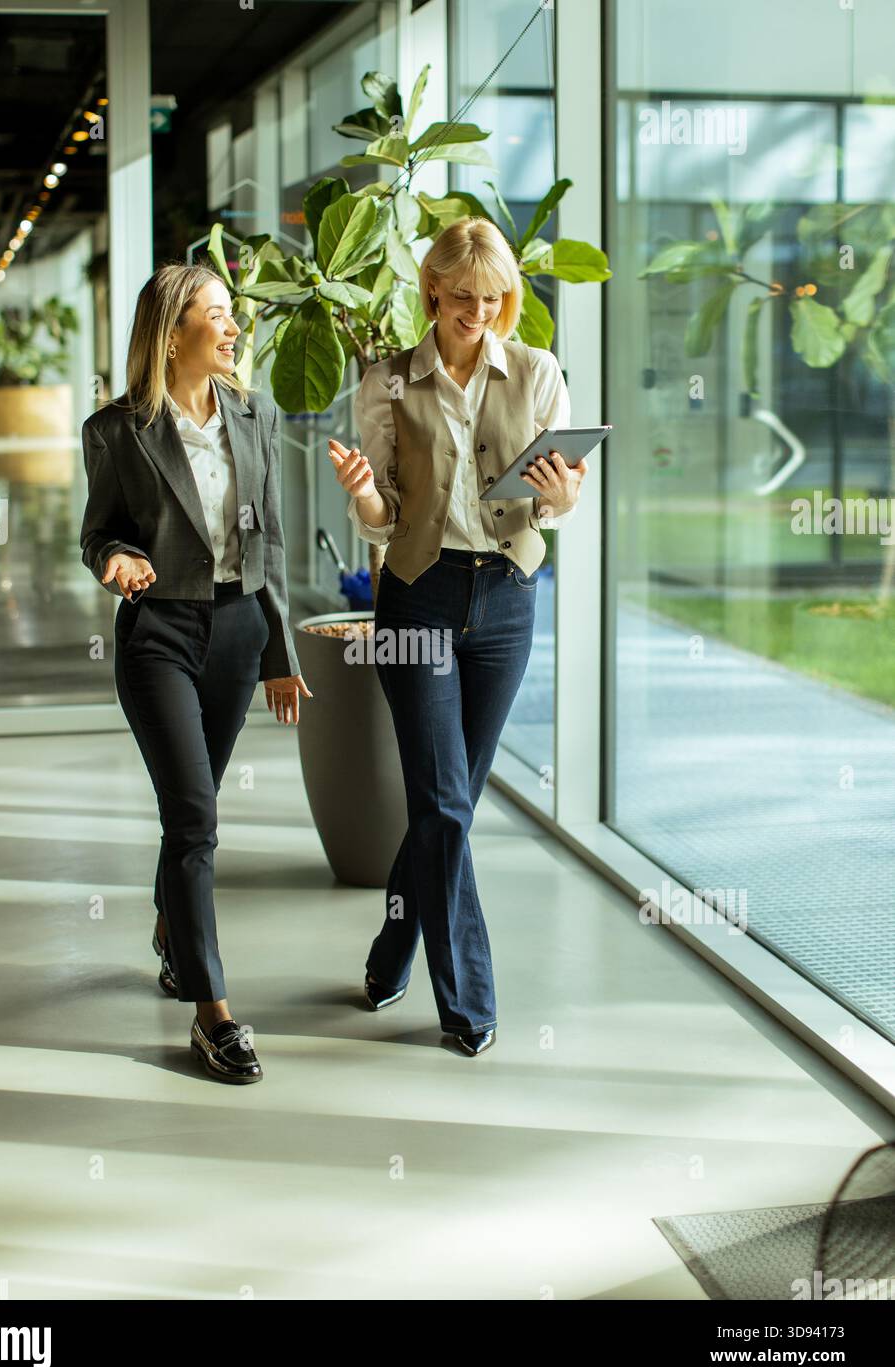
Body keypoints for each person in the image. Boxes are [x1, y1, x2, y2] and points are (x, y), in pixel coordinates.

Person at [328, 216, 586, 1057]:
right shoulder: (387, 382)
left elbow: (558, 504)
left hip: (508, 597)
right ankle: (469, 1002)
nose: (478, 311)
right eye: (462, 296)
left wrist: (559, 497)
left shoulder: (539, 373)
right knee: (441, 800)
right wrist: (365, 494)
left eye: (493, 297)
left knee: (453, 802)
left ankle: (390, 947)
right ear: (432, 290)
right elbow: (381, 518)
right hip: (418, 599)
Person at [79, 261, 311, 1084]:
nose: (233, 327)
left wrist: (278, 656)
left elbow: (272, 541)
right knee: (195, 821)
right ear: (172, 332)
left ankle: (171, 932)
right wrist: (115, 562)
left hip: (239, 632)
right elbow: (97, 532)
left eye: (231, 314)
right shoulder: (117, 429)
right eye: (216, 314)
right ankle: (213, 1015)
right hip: (160, 637)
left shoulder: (253, 412)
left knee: (194, 810)